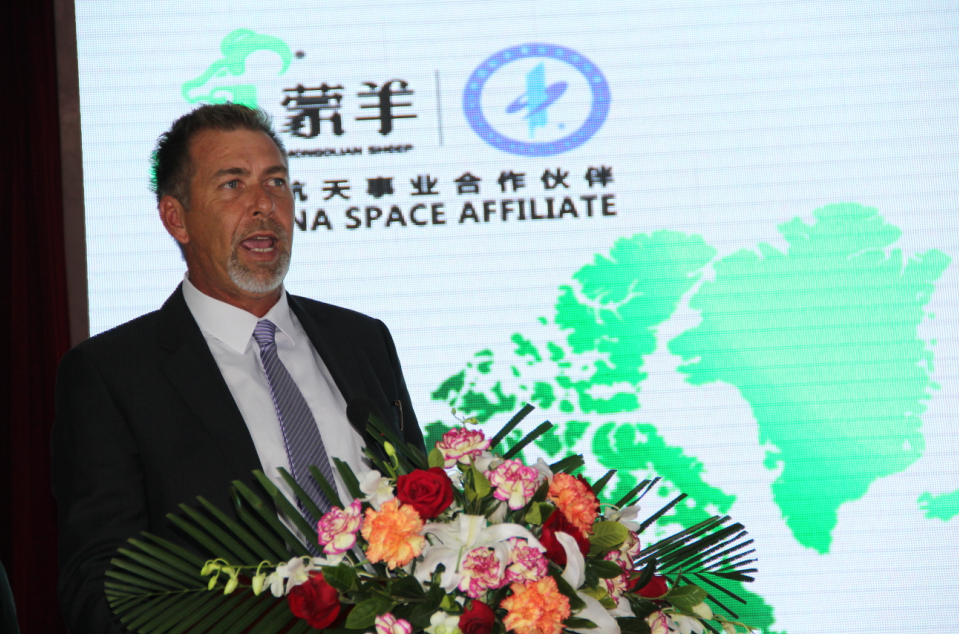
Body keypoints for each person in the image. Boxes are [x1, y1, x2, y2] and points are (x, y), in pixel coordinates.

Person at [51, 104, 425, 633]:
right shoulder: (113, 375)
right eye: (232, 184)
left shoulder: (362, 340)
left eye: (277, 182)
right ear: (176, 218)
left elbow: (421, 511)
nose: (264, 205)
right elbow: (101, 586)